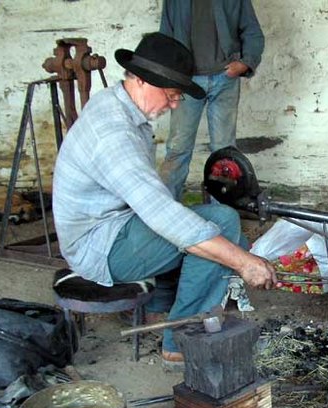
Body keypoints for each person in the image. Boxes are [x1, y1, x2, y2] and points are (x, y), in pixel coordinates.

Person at [52, 32, 276, 369]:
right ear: (141, 81)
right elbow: (162, 216)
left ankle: (159, 302)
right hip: (100, 247)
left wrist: (233, 252)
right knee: (223, 225)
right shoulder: (114, 133)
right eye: (171, 96)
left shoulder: (115, 102)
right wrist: (244, 262)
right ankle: (181, 340)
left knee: (215, 230)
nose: (174, 105)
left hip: (113, 228)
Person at [158, 0, 265, 201]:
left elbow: (252, 31)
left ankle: (220, 212)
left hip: (225, 79)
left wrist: (245, 63)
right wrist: (168, 77)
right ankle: (164, 211)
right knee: (178, 148)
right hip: (186, 80)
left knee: (225, 153)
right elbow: (165, 34)